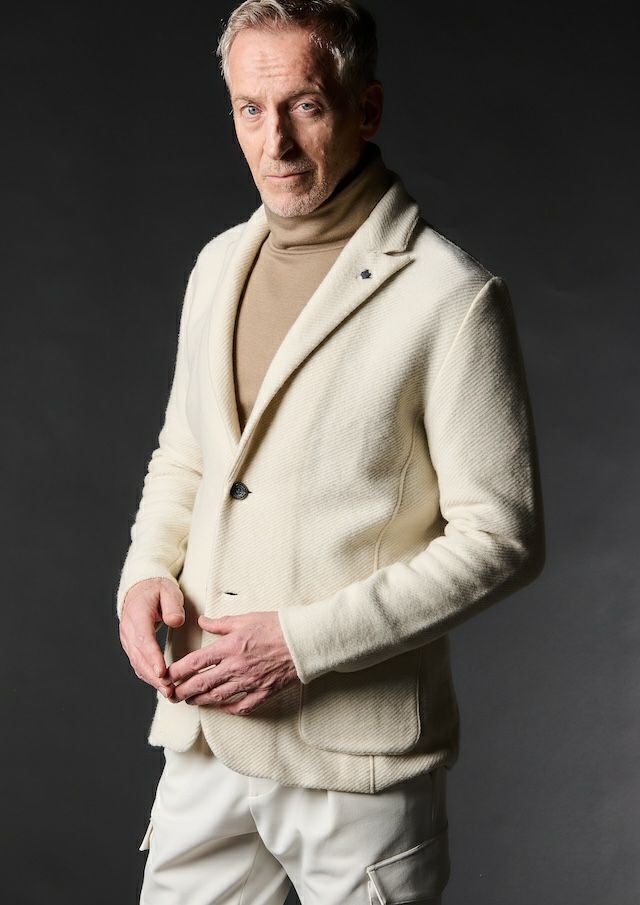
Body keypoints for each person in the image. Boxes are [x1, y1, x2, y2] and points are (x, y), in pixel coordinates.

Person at [116, 2, 545, 903]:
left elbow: (502, 538)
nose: (274, 141)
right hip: (204, 736)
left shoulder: (451, 296)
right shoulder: (216, 265)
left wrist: (302, 644)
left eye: (304, 105)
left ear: (366, 108)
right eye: (249, 109)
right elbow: (187, 453)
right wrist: (144, 570)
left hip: (357, 764)